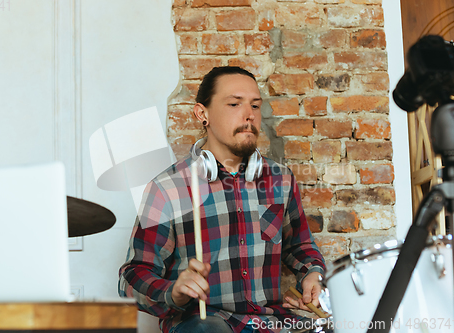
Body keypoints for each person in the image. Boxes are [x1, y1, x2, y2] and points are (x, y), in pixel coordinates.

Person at [119, 66, 326, 333]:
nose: (249, 114)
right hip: (205, 323)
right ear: (202, 114)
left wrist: (312, 273)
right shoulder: (168, 188)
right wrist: (174, 292)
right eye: (234, 104)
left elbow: (300, 247)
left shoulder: (280, 179)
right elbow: (132, 280)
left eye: (255, 105)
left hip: (272, 323)